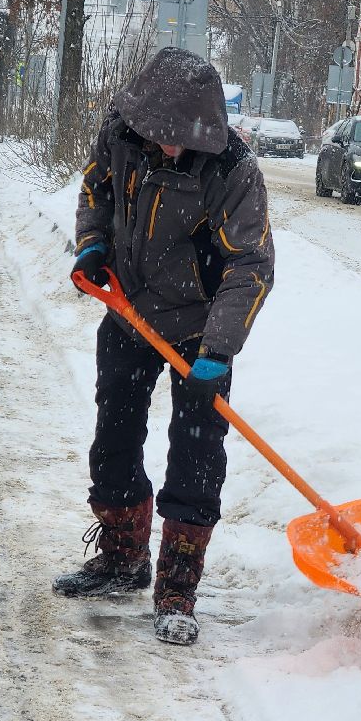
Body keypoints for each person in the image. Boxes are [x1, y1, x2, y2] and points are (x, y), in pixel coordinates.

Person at [53, 48, 275, 646]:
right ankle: (123, 559)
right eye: (164, 137)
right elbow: (96, 190)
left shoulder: (233, 172)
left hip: (200, 330)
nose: (172, 149)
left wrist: (219, 351)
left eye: (184, 141)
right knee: (114, 438)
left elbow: (250, 268)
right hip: (130, 312)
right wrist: (93, 245)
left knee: (197, 456)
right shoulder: (120, 134)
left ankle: (178, 590)